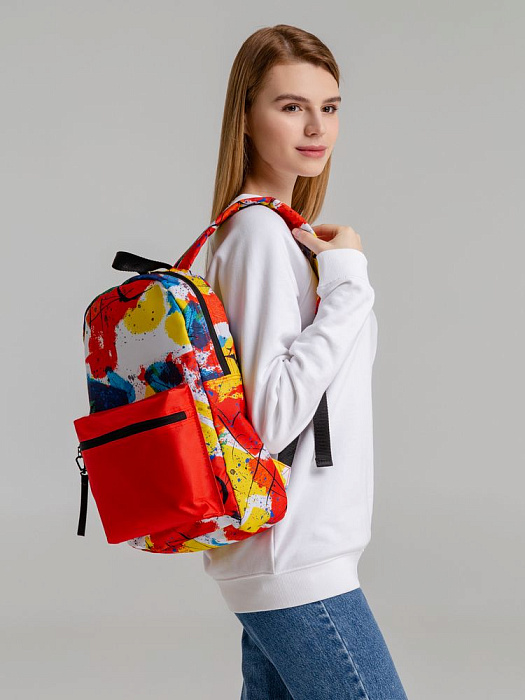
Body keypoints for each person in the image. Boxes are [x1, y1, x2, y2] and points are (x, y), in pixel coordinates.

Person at [203, 24, 409, 700]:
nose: (316, 127)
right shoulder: (257, 235)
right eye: (291, 106)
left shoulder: (278, 233)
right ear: (245, 117)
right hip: (295, 558)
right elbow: (271, 415)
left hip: (289, 552)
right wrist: (348, 283)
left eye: (330, 107)